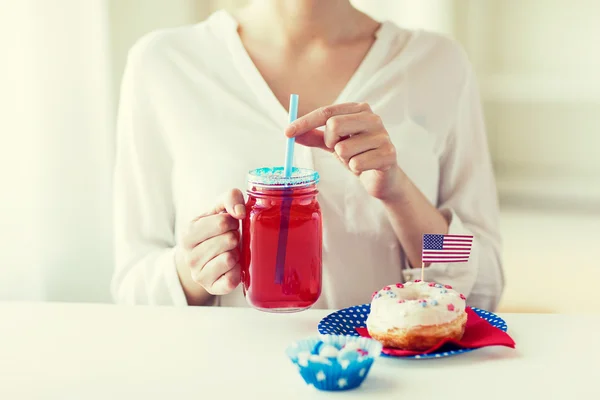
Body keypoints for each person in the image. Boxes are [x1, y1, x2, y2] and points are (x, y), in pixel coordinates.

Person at [111, 0, 504, 311]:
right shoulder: (163, 63)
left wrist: (401, 196)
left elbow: (484, 279)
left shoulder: (438, 64)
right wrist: (193, 266)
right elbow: (133, 287)